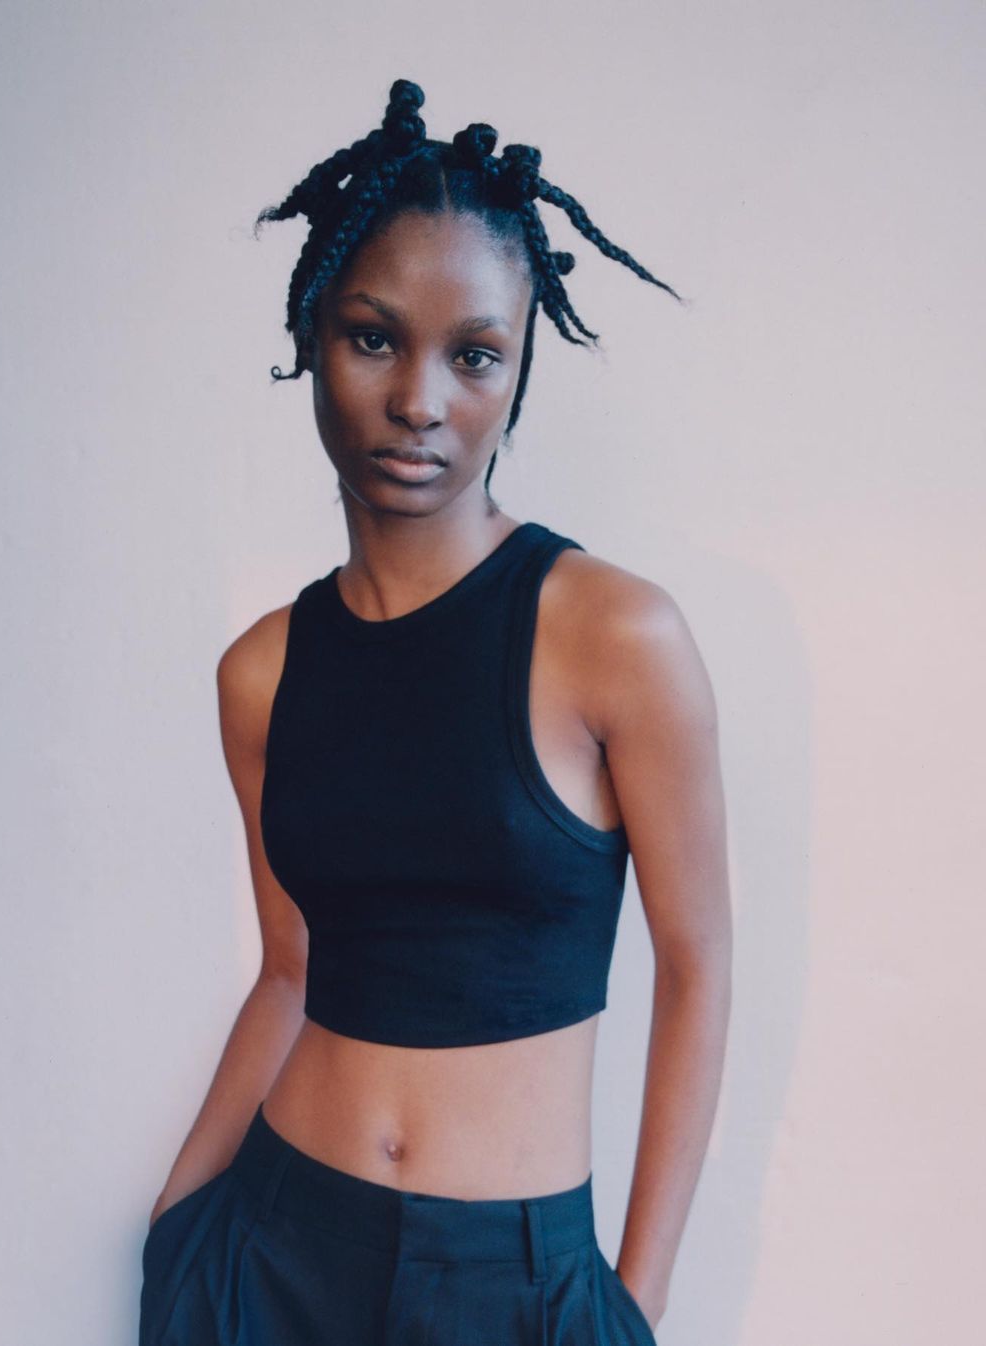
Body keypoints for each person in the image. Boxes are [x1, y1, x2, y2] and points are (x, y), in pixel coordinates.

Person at [137, 78, 732, 1346]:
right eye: (373, 337)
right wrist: (176, 1223)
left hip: (511, 1283)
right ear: (312, 336)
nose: (419, 399)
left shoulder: (617, 636)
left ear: (517, 374)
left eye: (473, 354)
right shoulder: (261, 671)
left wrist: (634, 1303)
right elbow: (290, 966)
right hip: (272, 1252)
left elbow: (698, 965)